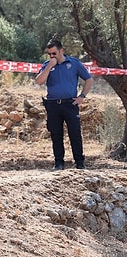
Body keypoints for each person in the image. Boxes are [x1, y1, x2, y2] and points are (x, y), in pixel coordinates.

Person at [36, 39, 93, 170]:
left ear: (61, 51)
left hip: (70, 104)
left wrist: (82, 97)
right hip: (53, 105)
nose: (51, 56)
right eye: (49, 54)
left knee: (75, 134)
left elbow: (89, 80)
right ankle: (59, 163)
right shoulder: (47, 65)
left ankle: (79, 163)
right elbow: (39, 81)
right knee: (56, 134)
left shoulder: (73, 63)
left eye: (54, 53)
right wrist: (50, 66)